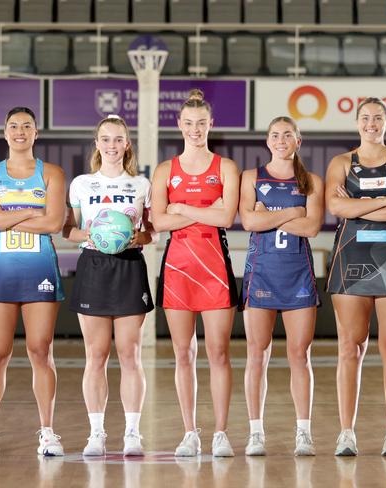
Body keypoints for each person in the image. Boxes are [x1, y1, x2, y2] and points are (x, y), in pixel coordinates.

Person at [325, 97, 386, 457]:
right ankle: (346, 433)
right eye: (365, 118)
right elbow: (336, 207)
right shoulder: (340, 163)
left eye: (377, 117)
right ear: (356, 122)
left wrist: (360, 205)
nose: (371, 123)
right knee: (350, 347)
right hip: (351, 258)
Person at [0, 107, 66, 457]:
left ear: (36, 133)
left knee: (41, 350)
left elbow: (54, 223)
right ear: (4, 132)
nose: (20, 131)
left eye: (27, 126)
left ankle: (48, 432)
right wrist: (29, 212)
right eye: (14, 126)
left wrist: (5, 216)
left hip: (39, 268)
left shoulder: (52, 173)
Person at [151, 89, 239, 457]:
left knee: (218, 353)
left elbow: (227, 218)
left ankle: (220, 433)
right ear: (179, 125)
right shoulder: (165, 170)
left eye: (201, 123)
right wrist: (204, 208)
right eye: (189, 123)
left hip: (214, 267)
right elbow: (157, 221)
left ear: (211, 125)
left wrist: (181, 207)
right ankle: (190, 432)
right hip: (178, 268)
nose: (195, 129)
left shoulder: (226, 168)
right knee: (183, 354)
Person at [63, 115, 155, 456]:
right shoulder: (82, 184)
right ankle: (96, 433)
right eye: (106, 139)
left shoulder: (141, 185)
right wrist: (89, 234)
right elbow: (67, 230)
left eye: (118, 139)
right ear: (97, 143)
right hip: (94, 266)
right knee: (96, 355)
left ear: (126, 144)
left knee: (130, 354)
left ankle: (132, 432)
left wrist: (137, 236)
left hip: (129, 266)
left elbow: (152, 232)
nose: (112, 145)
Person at [239, 116, 324, 456]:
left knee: (299, 355)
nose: (280, 140)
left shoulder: (311, 181)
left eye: (287, 134)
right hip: (261, 274)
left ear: (298, 141)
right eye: (275, 135)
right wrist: (294, 213)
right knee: (256, 354)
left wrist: (268, 215)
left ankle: (303, 432)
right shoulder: (252, 178)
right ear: (267, 141)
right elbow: (248, 221)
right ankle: (255, 432)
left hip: (298, 275)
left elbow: (313, 227)